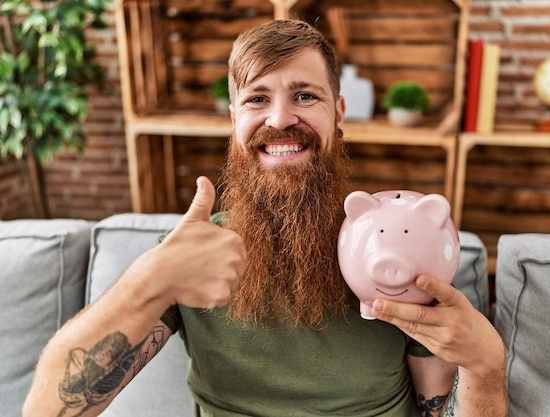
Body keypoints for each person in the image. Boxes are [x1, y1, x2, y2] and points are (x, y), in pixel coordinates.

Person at [23, 19, 507, 417]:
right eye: (257, 98)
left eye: (305, 96)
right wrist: (151, 279)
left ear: (339, 115)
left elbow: (437, 410)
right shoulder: (190, 255)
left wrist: (486, 369)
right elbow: (48, 411)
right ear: (233, 119)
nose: (279, 119)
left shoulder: (399, 248)